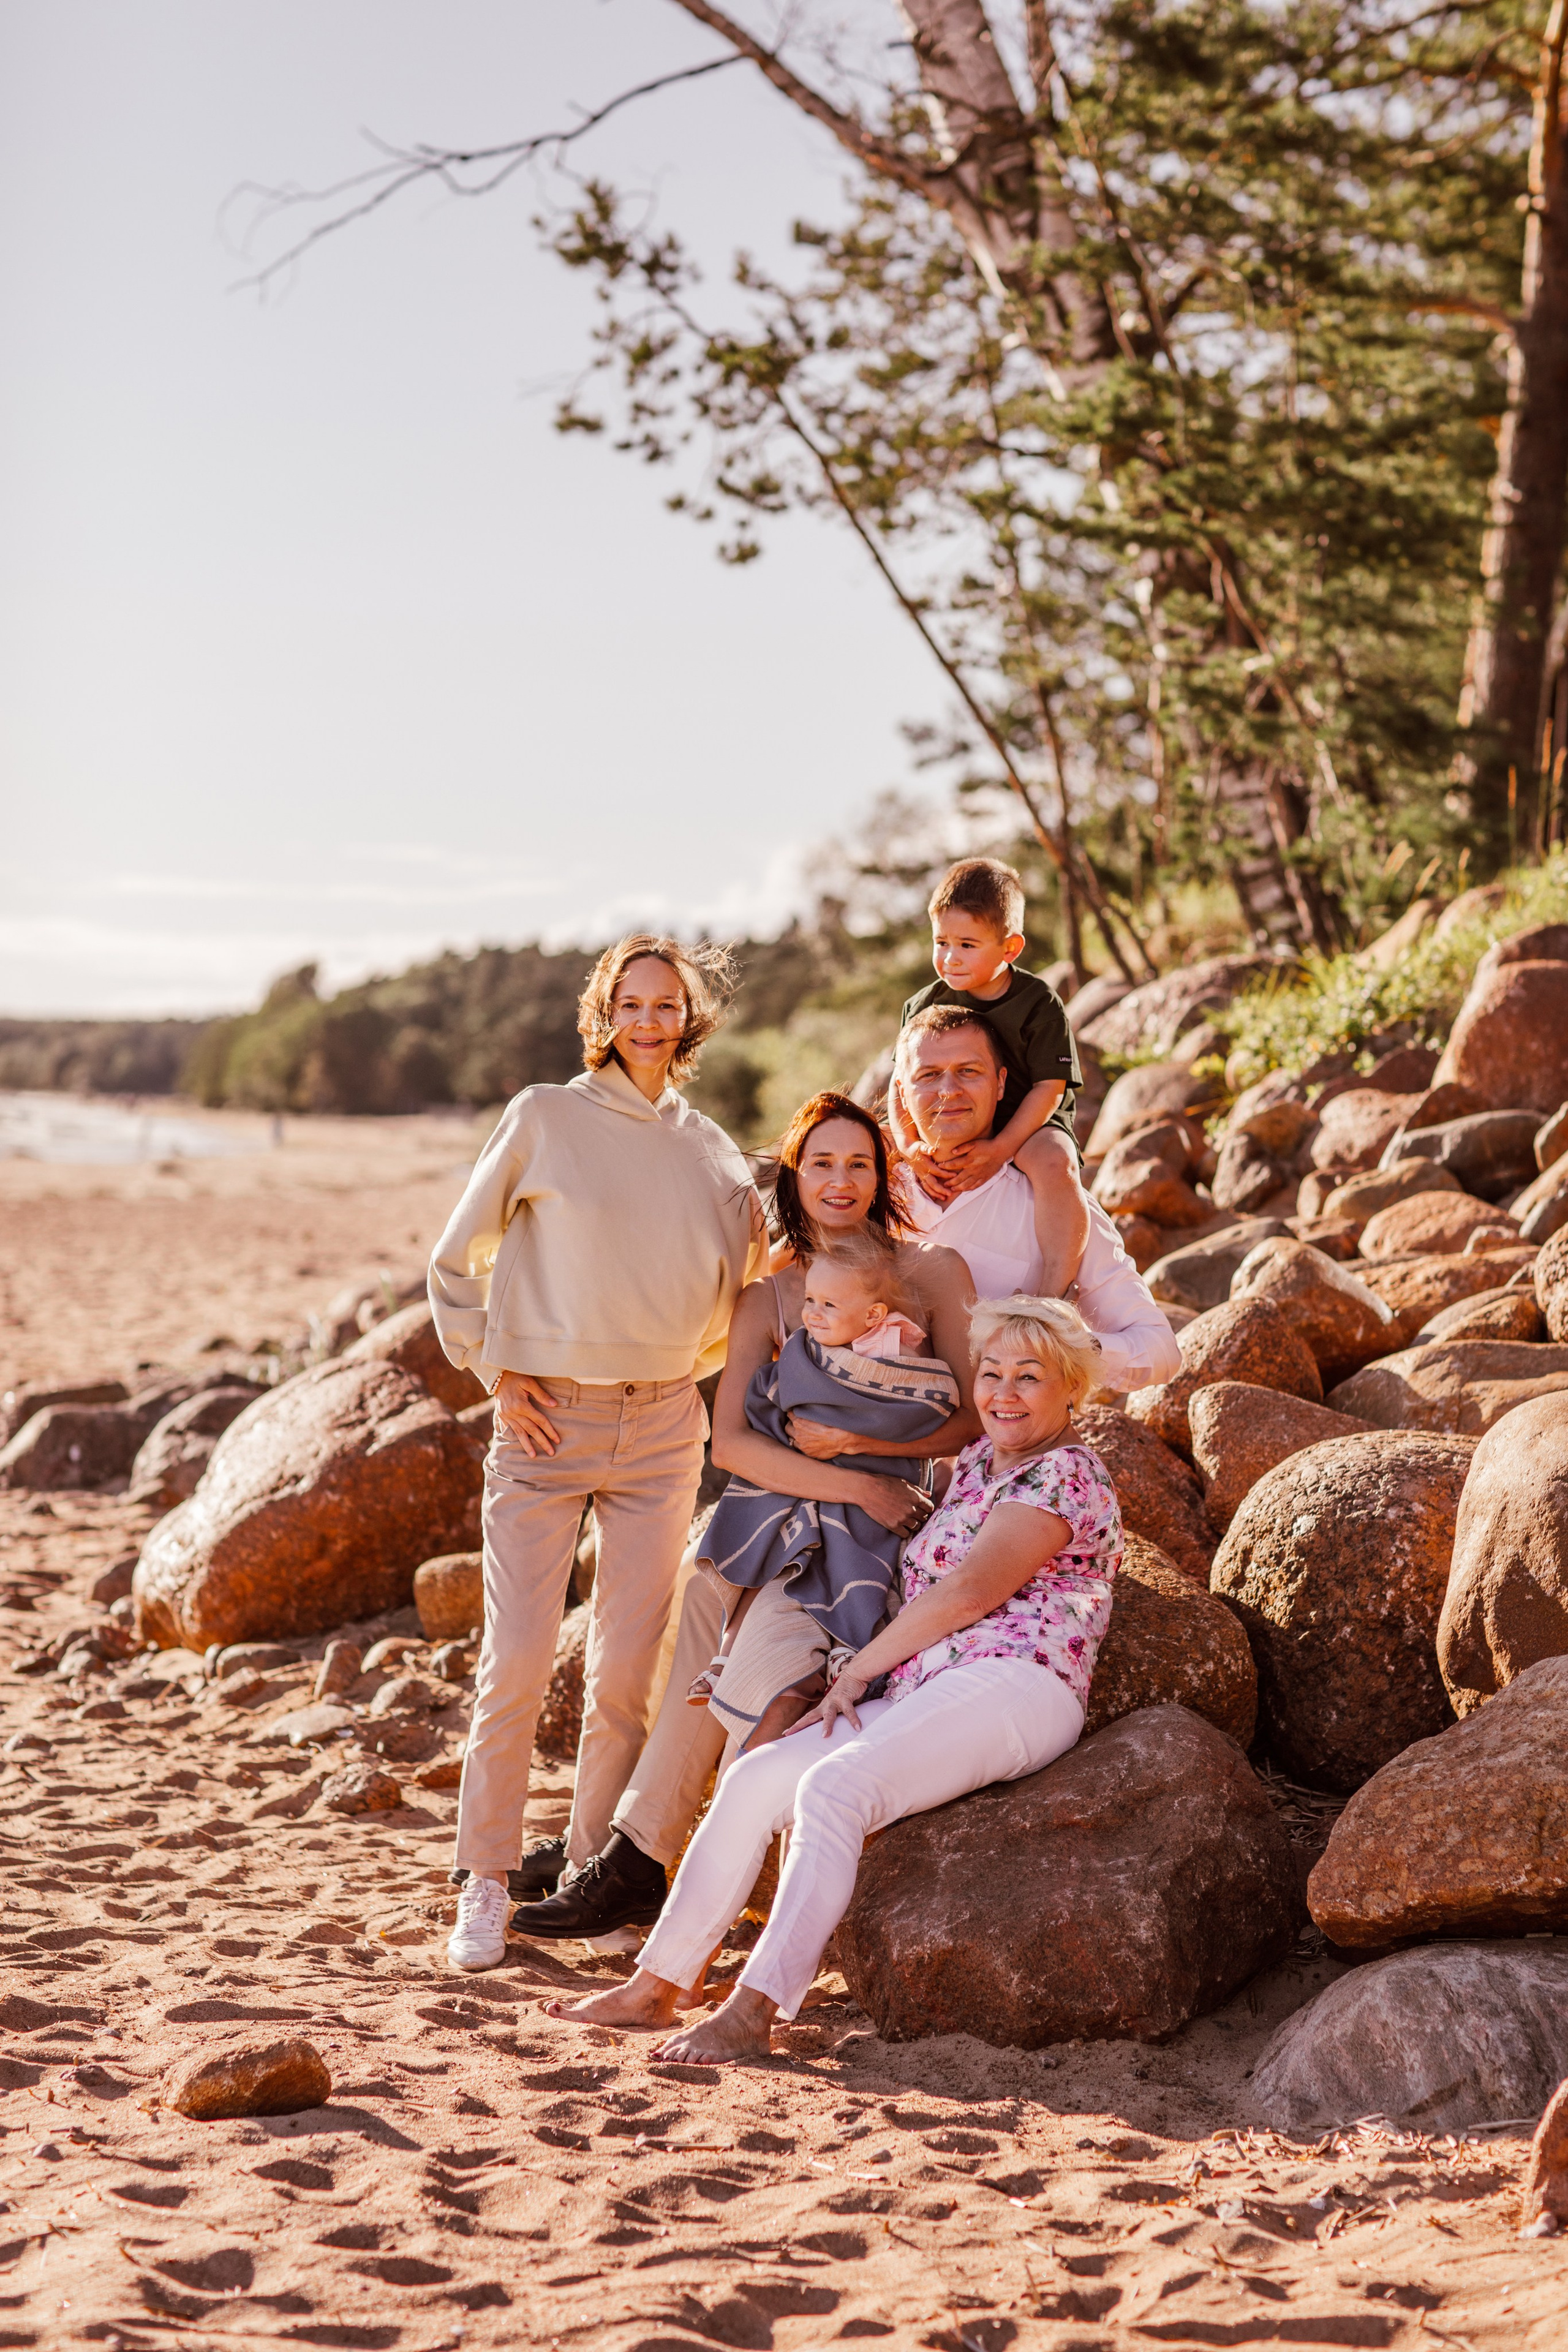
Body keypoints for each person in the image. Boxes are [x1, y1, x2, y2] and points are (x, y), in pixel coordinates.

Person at [542, 1293, 1122, 2060]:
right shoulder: (979, 1462)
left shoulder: (1065, 1476)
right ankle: (660, 1985)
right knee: (756, 1778)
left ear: (1072, 1388)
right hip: (927, 1686)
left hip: (1018, 1684)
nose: (1002, 1395)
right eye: (991, 1375)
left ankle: (756, 2007)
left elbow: (971, 1592)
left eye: (1029, 1378)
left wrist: (857, 1671)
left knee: (832, 1789)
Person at [508, 1093, 979, 1945]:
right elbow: (731, 1443)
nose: (841, 1181)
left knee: (720, 1613)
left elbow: (969, 1418)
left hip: (889, 1512)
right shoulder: (770, 1295)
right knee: (701, 1586)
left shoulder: (933, 1273)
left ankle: (633, 1856)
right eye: (822, 1164)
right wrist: (847, 1481)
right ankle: (632, 1851)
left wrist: (865, 1453)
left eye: (859, 1164)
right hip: (784, 1499)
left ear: (883, 1176)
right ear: (794, 1178)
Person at [428, 933, 768, 1973]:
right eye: (633, 1002)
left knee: (628, 1673)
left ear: (691, 1019)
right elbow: (456, 1257)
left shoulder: (711, 1150)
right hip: (544, 1426)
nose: (651, 1020)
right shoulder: (545, 1116)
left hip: (665, 1427)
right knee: (519, 1659)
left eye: (669, 1005)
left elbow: (741, 1294)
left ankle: (585, 1872)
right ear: (605, 1012)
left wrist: (674, 1370)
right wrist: (496, 1366)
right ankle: (484, 1881)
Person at [692, 1227, 960, 1745]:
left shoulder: (895, 1341)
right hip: (802, 1482)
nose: (812, 1314)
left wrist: (855, 1436)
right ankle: (727, 1654)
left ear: (873, 1316)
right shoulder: (804, 1349)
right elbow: (768, 1401)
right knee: (780, 1531)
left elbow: (923, 1400)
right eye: (809, 1300)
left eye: (828, 1305)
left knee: (856, 1540)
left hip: (882, 1483)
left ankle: (847, 1638)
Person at [891, 1007, 1183, 1395]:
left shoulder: (1053, 1203)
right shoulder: (869, 1189)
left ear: (1000, 1083)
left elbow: (1160, 1352)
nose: (949, 1090)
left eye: (969, 1071)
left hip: (1002, 1439)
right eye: (929, 1075)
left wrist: (1055, 1340)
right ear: (901, 1092)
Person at [888, 857, 1089, 1295]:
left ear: (1010, 949)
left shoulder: (1039, 1003)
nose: (949, 958)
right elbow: (898, 1082)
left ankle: (1057, 1291)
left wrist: (1001, 1148)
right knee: (868, 1146)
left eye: (967, 945)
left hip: (1029, 1119)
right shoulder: (924, 1002)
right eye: (941, 942)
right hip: (958, 1111)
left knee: (1054, 1161)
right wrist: (909, 1145)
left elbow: (1050, 1088)